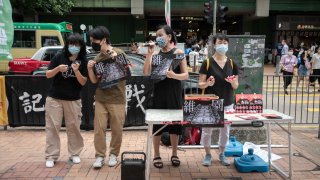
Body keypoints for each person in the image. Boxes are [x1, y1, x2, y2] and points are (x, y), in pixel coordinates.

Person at [143, 25, 189, 168]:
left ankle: (174, 153)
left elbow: (186, 75)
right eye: (157, 36)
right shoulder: (156, 55)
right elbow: (146, 72)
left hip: (174, 94)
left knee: (175, 125)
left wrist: (174, 75)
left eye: (161, 35)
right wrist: (149, 54)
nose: (158, 38)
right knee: (157, 125)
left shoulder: (178, 52)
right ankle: (156, 155)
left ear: (169, 37)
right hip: (158, 94)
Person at [44, 33, 88, 168]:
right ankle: (51, 156)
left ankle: (75, 154)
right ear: (67, 45)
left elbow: (83, 82)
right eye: (71, 44)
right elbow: (47, 74)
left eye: (77, 45)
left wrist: (76, 71)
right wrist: (58, 69)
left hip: (73, 99)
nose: (74, 47)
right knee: (52, 127)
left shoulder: (83, 60)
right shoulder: (59, 56)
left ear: (81, 46)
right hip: (54, 98)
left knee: (74, 127)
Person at [87, 26, 127, 168]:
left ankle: (114, 155)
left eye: (94, 40)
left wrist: (114, 56)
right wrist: (89, 68)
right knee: (99, 129)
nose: (92, 42)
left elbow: (127, 71)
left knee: (117, 129)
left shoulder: (119, 52)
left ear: (103, 40)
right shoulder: (97, 58)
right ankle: (99, 156)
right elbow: (93, 81)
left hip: (117, 98)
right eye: (91, 40)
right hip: (101, 99)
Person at [198, 34, 239, 166]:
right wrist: (207, 84)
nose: (223, 45)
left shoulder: (232, 63)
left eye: (225, 42)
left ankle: (222, 153)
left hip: (227, 102)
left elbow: (236, 86)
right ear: (214, 45)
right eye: (220, 42)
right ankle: (208, 154)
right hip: (210, 102)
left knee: (225, 130)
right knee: (207, 130)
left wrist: (232, 82)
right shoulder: (207, 62)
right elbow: (200, 84)